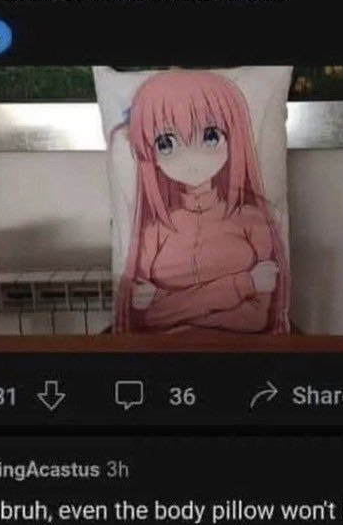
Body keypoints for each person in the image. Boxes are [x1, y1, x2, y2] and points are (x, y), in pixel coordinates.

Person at [114, 71, 289, 333]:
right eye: (166, 143)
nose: (191, 158)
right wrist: (243, 284)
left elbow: (255, 319)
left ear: (234, 137)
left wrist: (170, 306)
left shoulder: (252, 220)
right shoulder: (154, 232)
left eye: (210, 136)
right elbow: (148, 319)